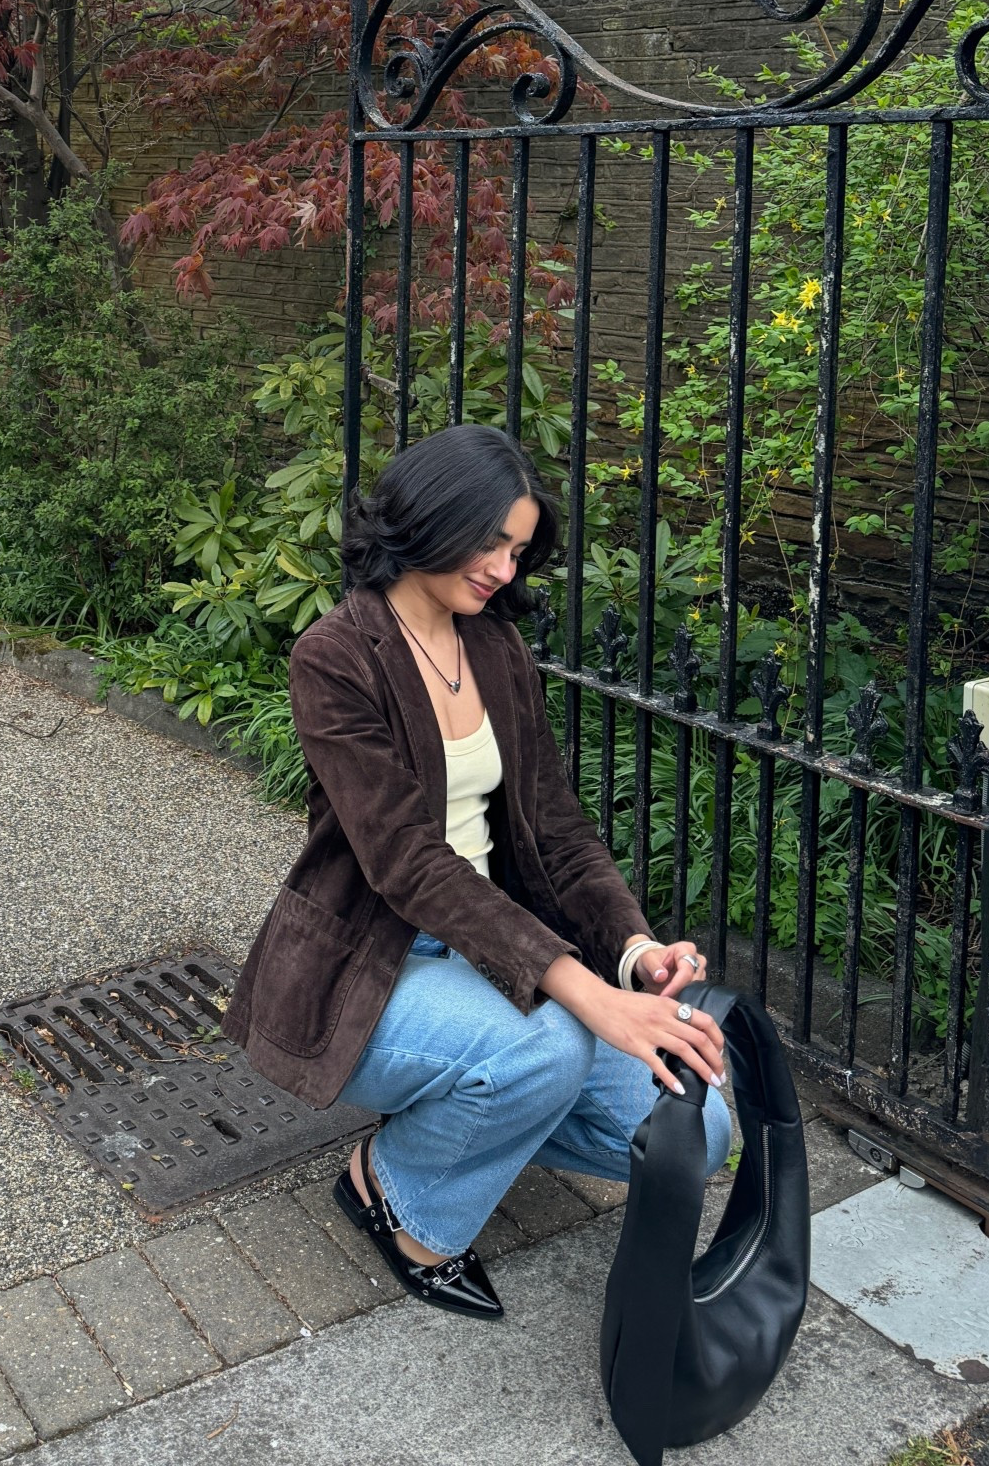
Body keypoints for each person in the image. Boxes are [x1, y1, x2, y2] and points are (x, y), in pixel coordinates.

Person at [220, 424, 732, 1319]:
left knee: (698, 1130)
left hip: (501, 948)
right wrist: (581, 994)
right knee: (554, 1037)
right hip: (378, 967)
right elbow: (407, 862)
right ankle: (398, 1197)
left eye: (520, 550)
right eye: (490, 542)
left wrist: (632, 954)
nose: (503, 568)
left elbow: (559, 828)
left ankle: (474, 1109)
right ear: (430, 516)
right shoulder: (336, 658)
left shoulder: (493, 647)